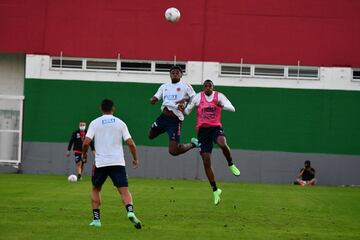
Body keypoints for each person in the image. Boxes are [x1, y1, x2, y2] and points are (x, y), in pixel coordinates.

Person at [82, 99, 142, 229]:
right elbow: (131, 143)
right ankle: (130, 211)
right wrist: (135, 159)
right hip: (118, 162)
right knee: (124, 191)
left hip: (101, 163)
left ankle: (97, 220)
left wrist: (84, 154)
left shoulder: (95, 123)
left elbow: (86, 142)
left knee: (96, 189)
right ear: (113, 109)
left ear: (101, 109)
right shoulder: (120, 123)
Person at [184, 79, 240, 205]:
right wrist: (183, 106)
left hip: (215, 128)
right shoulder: (198, 97)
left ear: (213, 87)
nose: (208, 88)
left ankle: (230, 164)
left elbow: (233, 109)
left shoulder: (219, 96)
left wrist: (221, 105)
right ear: (203, 88)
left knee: (222, 143)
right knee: (206, 161)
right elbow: (187, 112)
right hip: (203, 131)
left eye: (210, 86)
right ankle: (215, 190)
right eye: (206, 86)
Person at [149, 65, 200, 156]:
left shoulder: (185, 86)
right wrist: (153, 100)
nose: (175, 74)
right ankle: (164, 129)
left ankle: (193, 144)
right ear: (170, 75)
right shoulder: (164, 86)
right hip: (163, 118)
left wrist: (186, 101)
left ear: (181, 75)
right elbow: (155, 98)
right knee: (150, 136)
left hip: (175, 121)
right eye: (173, 73)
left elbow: (196, 99)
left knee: (173, 151)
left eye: (177, 73)